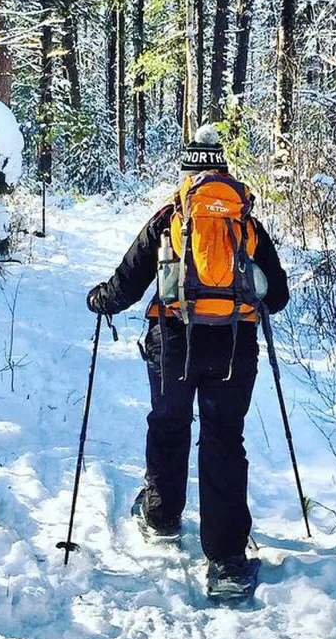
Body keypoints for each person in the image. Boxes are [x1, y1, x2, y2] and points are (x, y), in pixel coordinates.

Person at [86, 125, 289, 593]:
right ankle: (228, 564)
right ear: (223, 167)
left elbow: (127, 282)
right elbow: (276, 297)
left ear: (188, 169)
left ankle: (161, 519)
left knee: (170, 423)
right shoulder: (246, 222)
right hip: (236, 345)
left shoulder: (170, 217)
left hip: (175, 341)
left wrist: (100, 300)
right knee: (223, 440)